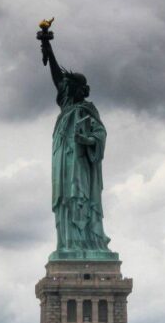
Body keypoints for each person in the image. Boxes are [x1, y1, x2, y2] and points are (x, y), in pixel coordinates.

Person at [38, 22, 113, 257]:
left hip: (81, 162)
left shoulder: (88, 111)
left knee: (81, 197)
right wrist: (47, 45)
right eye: (75, 88)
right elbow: (57, 76)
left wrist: (88, 140)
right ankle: (69, 243)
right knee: (67, 200)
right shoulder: (67, 107)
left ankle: (89, 241)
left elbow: (100, 134)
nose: (80, 90)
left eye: (79, 87)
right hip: (64, 161)